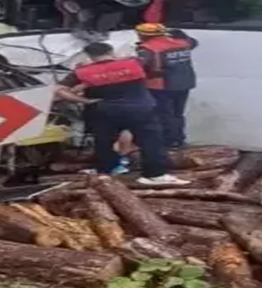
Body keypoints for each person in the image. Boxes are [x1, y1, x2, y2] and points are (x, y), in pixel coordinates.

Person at [54, 41, 188, 185]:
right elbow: (154, 67)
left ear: (90, 56)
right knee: (151, 142)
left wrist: (84, 100)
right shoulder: (133, 63)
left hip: (106, 110)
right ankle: (154, 175)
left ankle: (106, 170)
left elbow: (59, 90)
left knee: (104, 142)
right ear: (111, 52)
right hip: (141, 109)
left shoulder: (82, 71)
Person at [135, 23, 199, 149]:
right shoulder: (182, 43)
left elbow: (140, 65)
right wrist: (179, 33)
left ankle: (168, 142)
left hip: (160, 86)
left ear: (142, 35)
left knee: (163, 114)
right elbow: (194, 42)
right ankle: (179, 140)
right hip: (184, 83)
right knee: (177, 113)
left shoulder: (147, 48)